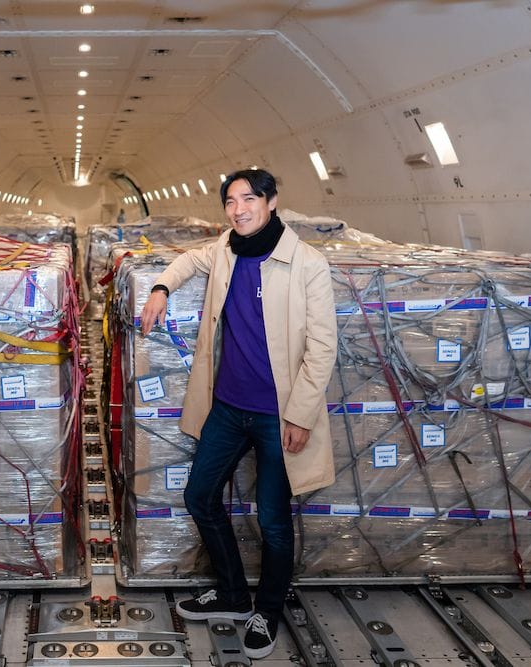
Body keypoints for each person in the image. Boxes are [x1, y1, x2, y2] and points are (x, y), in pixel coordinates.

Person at [139, 168, 337, 660]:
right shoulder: (227, 248)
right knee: (200, 495)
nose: (239, 209)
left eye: (249, 199)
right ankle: (230, 593)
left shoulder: (307, 263)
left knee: (273, 521)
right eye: (230, 201)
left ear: (271, 201)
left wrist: (301, 416)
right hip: (228, 406)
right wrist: (160, 288)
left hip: (278, 414)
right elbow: (188, 259)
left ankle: (265, 613)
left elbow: (322, 347)